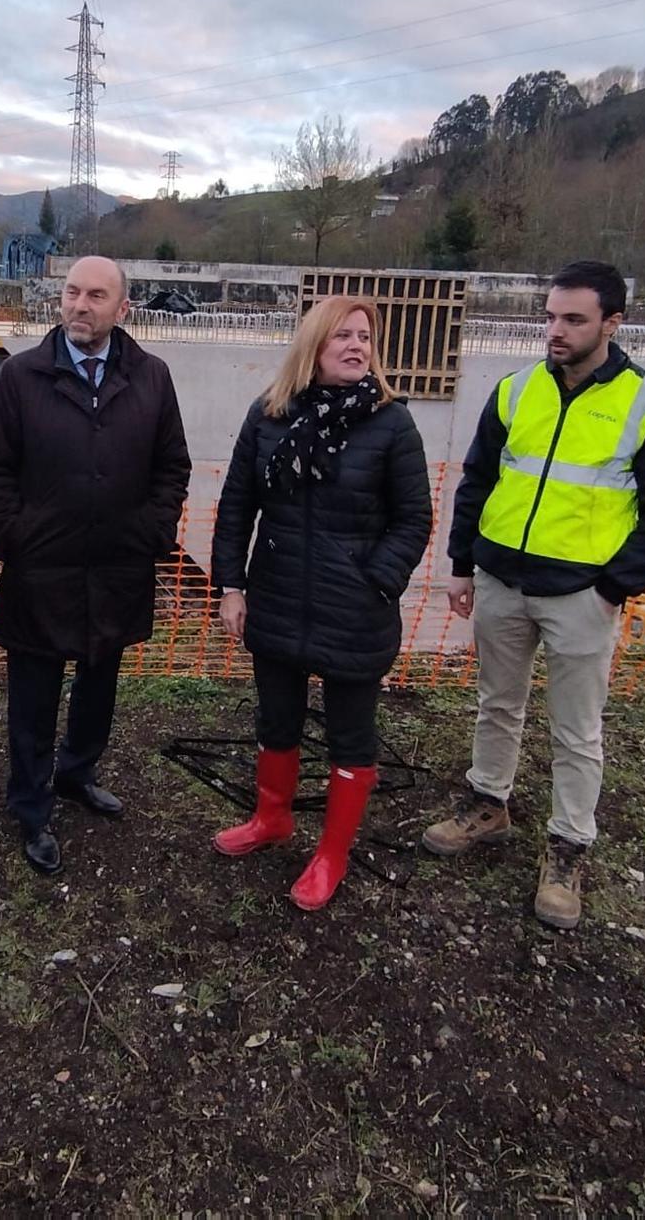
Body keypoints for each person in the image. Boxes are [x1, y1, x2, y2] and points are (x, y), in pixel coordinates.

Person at [421, 259, 645, 931]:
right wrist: (463, 565)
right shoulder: (517, 392)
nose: (556, 330)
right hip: (501, 583)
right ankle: (487, 804)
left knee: (577, 729)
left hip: (582, 596)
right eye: (549, 316)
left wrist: (613, 587)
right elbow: (479, 480)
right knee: (497, 704)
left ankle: (569, 847)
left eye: (573, 319)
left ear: (612, 323)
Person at [0, 256, 191, 876]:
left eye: (96, 295)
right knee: (33, 700)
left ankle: (77, 773)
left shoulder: (151, 377)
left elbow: (172, 465)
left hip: (118, 568)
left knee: (99, 687)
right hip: (40, 571)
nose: (79, 305)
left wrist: (150, 532)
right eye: (72, 292)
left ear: (123, 309)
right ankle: (31, 805)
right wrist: (14, 538)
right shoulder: (21, 376)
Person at [209, 297, 433, 911]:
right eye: (342, 336)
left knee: (350, 737)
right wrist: (231, 587)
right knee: (276, 721)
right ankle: (271, 819)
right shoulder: (270, 414)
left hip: (354, 612)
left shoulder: (391, 423)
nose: (357, 346)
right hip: (277, 599)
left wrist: (374, 582)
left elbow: (415, 520)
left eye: (364, 337)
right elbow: (236, 507)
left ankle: (330, 854)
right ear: (313, 345)